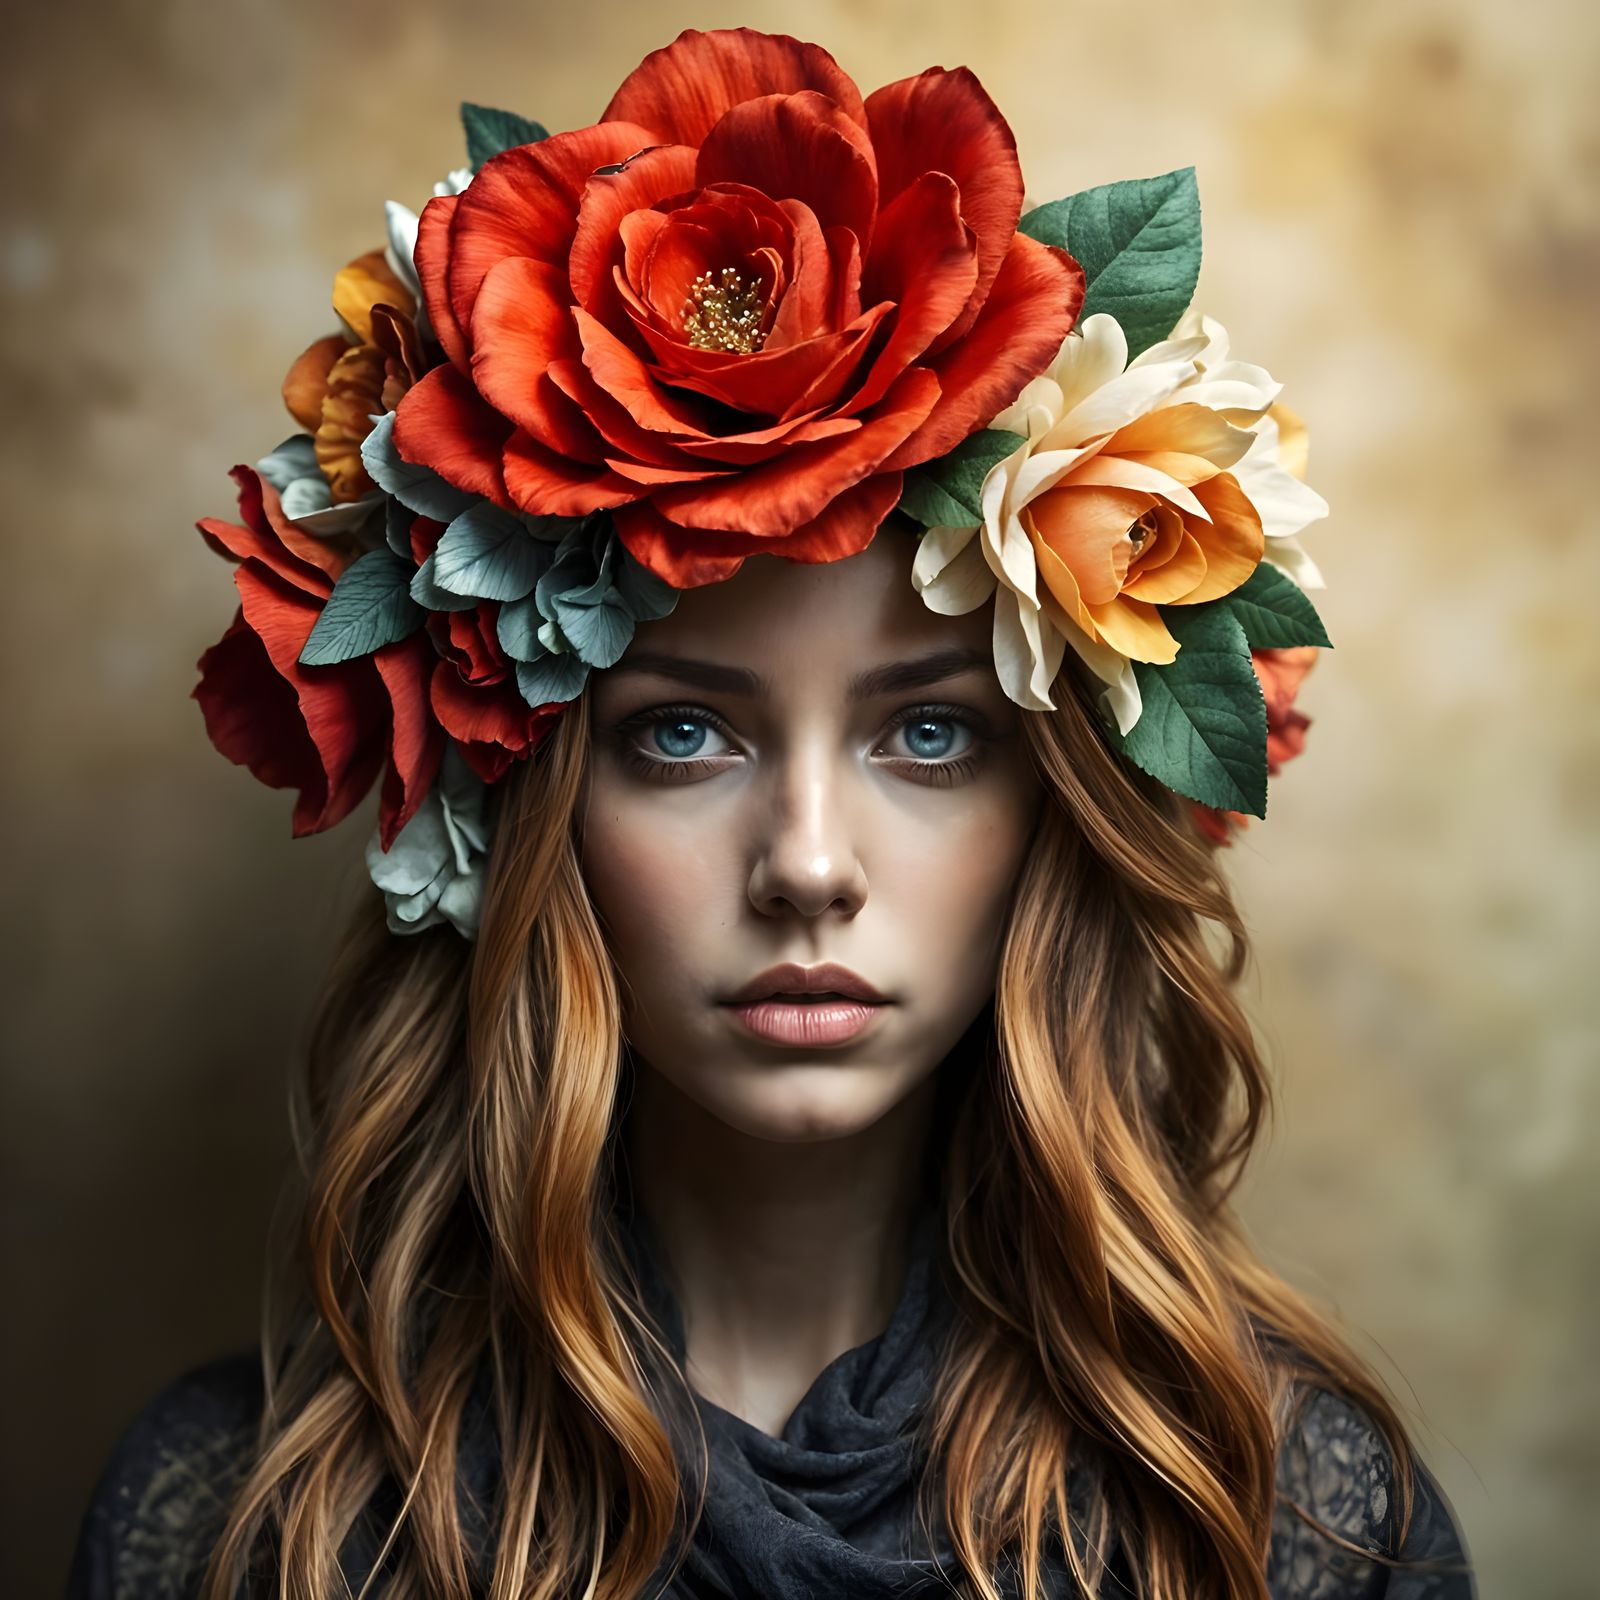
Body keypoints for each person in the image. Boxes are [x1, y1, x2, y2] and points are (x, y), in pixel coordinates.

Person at [68, 26, 1476, 1599]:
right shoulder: (259, 1522)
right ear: (524, 805)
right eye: (682, 735)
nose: (810, 867)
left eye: (930, 734)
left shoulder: (1291, 1514)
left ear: (1062, 809)